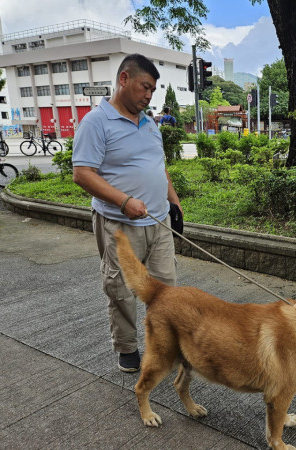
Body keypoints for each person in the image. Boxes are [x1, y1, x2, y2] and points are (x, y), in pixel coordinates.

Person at [72, 54, 182, 373]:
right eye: (145, 87)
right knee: (122, 290)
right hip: (119, 224)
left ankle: (164, 344)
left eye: (153, 90)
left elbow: (159, 168)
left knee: (166, 288)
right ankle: (127, 348)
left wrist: (174, 203)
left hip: (158, 223)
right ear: (124, 80)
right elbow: (82, 173)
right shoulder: (96, 122)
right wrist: (123, 201)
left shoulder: (150, 124)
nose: (149, 96)